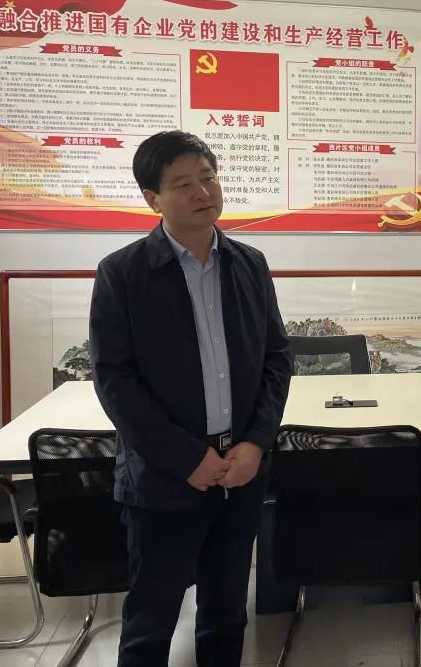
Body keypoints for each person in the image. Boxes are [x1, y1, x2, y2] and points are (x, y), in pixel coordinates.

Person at [90, 130, 291, 667]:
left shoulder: (249, 264)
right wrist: (187, 458)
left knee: (226, 615)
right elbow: (114, 381)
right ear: (152, 198)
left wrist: (255, 444)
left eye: (208, 177)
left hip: (240, 473)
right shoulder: (122, 273)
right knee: (150, 625)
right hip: (164, 479)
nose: (202, 191)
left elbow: (276, 360)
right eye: (182, 183)